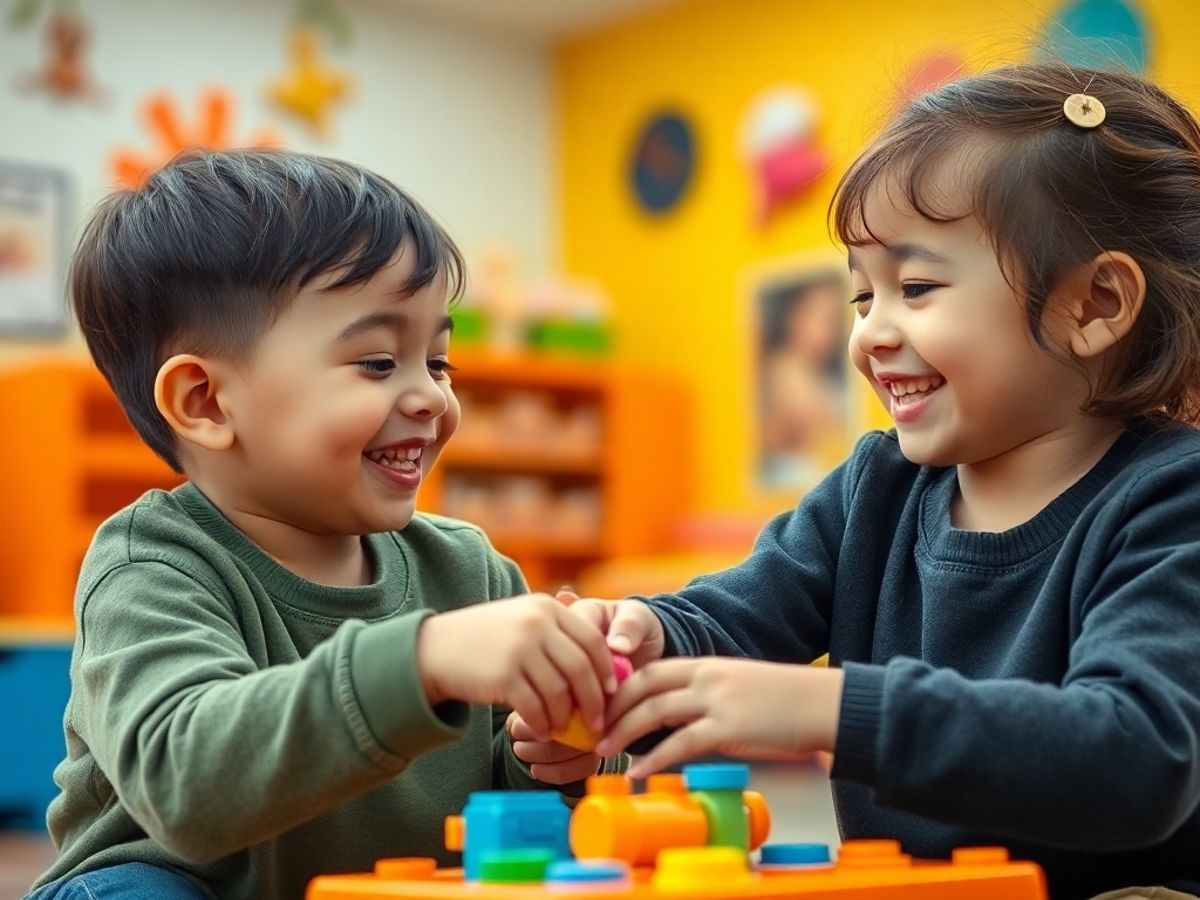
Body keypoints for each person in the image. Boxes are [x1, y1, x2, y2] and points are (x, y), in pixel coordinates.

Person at [578, 63, 1200, 900]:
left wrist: (828, 711)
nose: (870, 334)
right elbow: (729, 620)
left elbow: (1135, 757)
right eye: (861, 298)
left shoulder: (1173, 499)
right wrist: (637, 640)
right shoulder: (876, 487)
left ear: (1094, 304)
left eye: (914, 288)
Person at [27, 150, 619, 900]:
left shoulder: (470, 571)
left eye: (438, 363)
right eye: (378, 362)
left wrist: (558, 752)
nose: (431, 398)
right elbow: (187, 785)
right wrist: (423, 661)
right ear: (206, 402)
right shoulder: (152, 566)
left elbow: (510, 811)